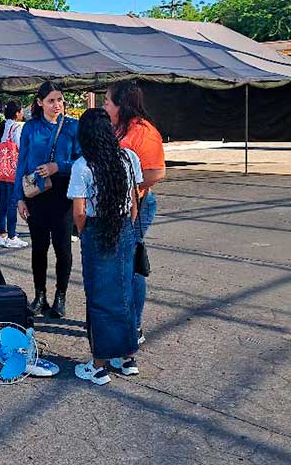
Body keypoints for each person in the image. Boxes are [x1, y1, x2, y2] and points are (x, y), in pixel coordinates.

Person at [68, 108, 143, 385]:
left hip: (96, 231)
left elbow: (79, 211)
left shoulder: (82, 166)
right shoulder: (128, 158)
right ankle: (127, 358)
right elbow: (135, 203)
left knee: (99, 297)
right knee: (124, 292)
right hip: (124, 228)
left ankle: (98, 366)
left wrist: (84, 232)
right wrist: (125, 225)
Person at [13, 81, 82, 319]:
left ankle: (60, 296)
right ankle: (39, 294)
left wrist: (58, 166)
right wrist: (18, 199)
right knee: (39, 248)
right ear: (40, 102)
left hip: (62, 194)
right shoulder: (30, 128)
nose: (57, 105)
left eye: (60, 100)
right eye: (51, 100)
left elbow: (82, 162)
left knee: (63, 248)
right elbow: (21, 163)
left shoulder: (73, 126)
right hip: (35, 194)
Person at [104, 81, 165, 345]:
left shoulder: (144, 132)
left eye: (107, 101)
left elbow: (156, 172)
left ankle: (134, 325)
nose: (104, 105)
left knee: (132, 264)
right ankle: (120, 318)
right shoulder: (117, 128)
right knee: (119, 263)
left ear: (122, 104)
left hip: (137, 206)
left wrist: (127, 186)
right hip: (115, 207)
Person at [0, 100, 28, 249]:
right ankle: (12, 236)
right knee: (13, 203)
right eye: (21, 111)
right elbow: (20, 147)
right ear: (17, 113)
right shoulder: (15, 128)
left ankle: (2, 234)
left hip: (1, 171)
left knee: (3, 202)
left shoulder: (1, 126)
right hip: (13, 171)